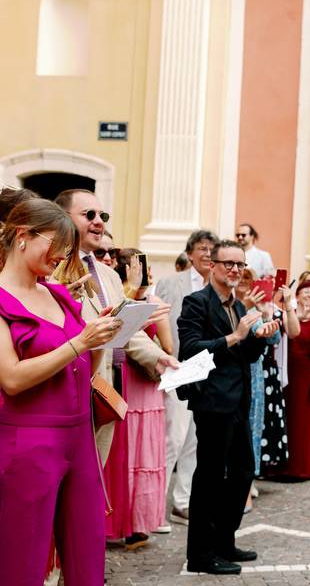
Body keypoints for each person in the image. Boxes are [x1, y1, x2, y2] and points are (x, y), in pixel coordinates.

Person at [0, 199, 120, 585]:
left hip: (78, 436)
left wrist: (101, 338)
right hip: (28, 444)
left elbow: (85, 369)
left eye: (68, 249)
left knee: (87, 556)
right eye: (56, 246)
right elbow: (12, 378)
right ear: (23, 235)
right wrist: (80, 343)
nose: (63, 256)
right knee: (22, 559)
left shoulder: (58, 294)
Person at [177, 240, 279, 574]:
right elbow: (190, 349)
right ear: (212, 265)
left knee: (242, 473)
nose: (235, 270)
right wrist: (235, 336)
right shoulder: (196, 303)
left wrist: (260, 337)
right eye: (228, 264)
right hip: (211, 401)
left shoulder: (237, 305)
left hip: (239, 401)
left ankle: (224, 541)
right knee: (208, 478)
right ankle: (201, 555)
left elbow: (246, 355)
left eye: (240, 265)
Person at [54, 189, 177, 463]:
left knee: (92, 480)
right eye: (89, 215)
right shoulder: (52, 270)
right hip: (65, 394)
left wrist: (158, 358)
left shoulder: (108, 275)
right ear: (63, 218)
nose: (99, 221)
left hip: (103, 395)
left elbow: (124, 326)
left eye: (103, 215)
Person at [105, 249, 176, 546]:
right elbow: (168, 347)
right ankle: (128, 522)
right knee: (130, 451)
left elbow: (167, 348)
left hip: (140, 378)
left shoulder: (151, 302)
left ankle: (132, 521)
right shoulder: (119, 297)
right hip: (125, 378)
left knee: (132, 449)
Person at [154, 229, 218, 528]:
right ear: (190, 253)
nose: (208, 254)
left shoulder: (219, 288)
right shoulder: (170, 283)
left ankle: (182, 502)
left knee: (195, 441)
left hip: (207, 375)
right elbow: (155, 322)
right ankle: (155, 507)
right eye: (203, 249)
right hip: (177, 370)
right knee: (173, 440)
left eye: (212, 250)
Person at [236, 267, 299, 511]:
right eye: (241, 279)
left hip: (256, 376)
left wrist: (265, 314)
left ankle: (247, 482)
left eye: (248, 279)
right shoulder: (231, 305)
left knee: (253, 428)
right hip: (232, 373)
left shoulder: (259, 309)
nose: (244, 283)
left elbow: (275, 339)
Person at [276, 279, 310, 479]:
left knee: (303, 418)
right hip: (287, 369)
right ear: (296, 296)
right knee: (286, 415)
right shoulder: (288, 314)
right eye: (306, 292)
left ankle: (302, 467)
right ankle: (281, 466)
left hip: (306, 372)